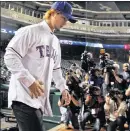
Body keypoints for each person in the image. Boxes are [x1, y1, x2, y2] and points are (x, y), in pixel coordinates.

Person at [4, 2, 76, 131]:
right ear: (53, 13)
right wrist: (29, 81)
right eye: (64, 18)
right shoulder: (30, 31)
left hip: (38, 99)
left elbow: (56, 69)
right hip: (23, 96)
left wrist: (63, 89)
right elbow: (10, 56)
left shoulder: (55, 41)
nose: (65, 23)